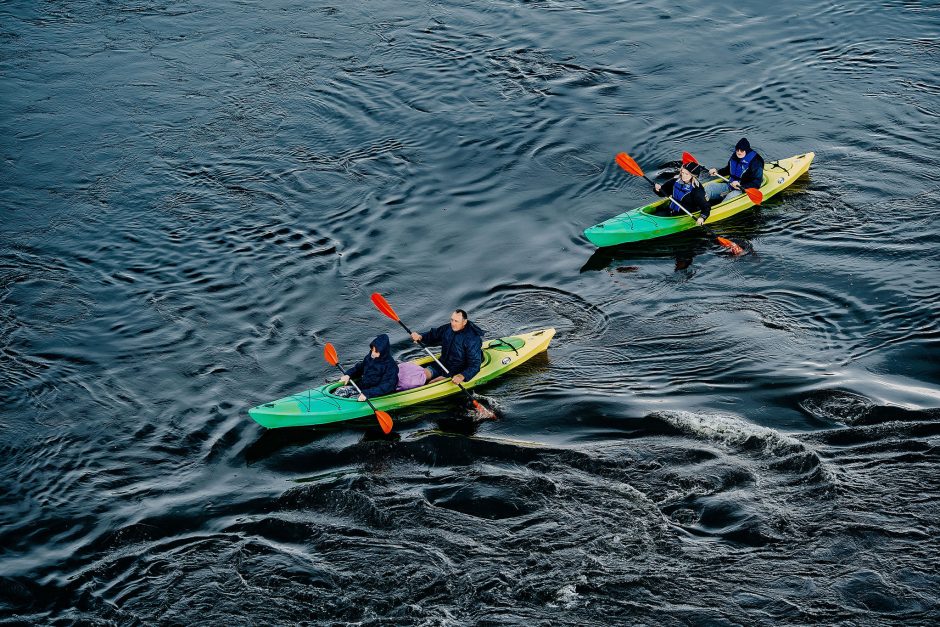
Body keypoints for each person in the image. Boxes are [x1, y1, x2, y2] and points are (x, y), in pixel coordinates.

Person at [410, 309, 484, 385]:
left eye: (456, 321)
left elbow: (475, 364)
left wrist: (462, 376)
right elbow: (434, 335)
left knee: (431, 383)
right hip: (442, 364)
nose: (453, 323)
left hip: (457, 370)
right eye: (452, 320)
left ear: (464, 322)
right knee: (420, 376)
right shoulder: (448, 329)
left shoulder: (472, 339)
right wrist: (420, 336)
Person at [335, 334, 399, 400]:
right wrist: (348, 374)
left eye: (376, 351)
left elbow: (388, 386)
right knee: (340, 391)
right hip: (363, 388)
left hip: (376, 393)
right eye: (372, 349)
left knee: (352, 399)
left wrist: (368, 394)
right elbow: (360, 368)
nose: (373, 353)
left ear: (383, 351)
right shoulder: (370, 357)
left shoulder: (391, 366)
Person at [705, 137, 765, 203]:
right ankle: (701, 204)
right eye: (737, 150)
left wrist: (741, 186)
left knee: (728, 199)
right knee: (709, 187)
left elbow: (756, 183)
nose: (739, 152)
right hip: (730, 184)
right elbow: (728, 169)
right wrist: (717, 172)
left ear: (746, 150)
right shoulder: (735, 156)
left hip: (742, 189)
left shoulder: (756, 162)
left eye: (742, 150)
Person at [654, 161, 711, 226]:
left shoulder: (697, 190)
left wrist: (702, 218)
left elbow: (706, 207)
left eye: (687, 174)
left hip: (684, 215)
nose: (683, 176)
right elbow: (662, 193)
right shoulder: (675, 180)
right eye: (682, 172)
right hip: (670, 210)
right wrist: (658, 189)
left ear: (693, 175)